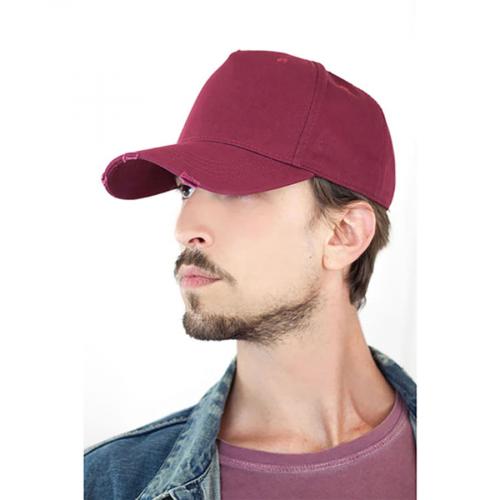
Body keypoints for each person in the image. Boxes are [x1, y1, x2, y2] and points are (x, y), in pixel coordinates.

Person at [85, 49, 416, 500]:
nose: (185, 228)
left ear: (344, 233)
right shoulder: (105, 484)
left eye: (234, 190)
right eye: (187, 190)